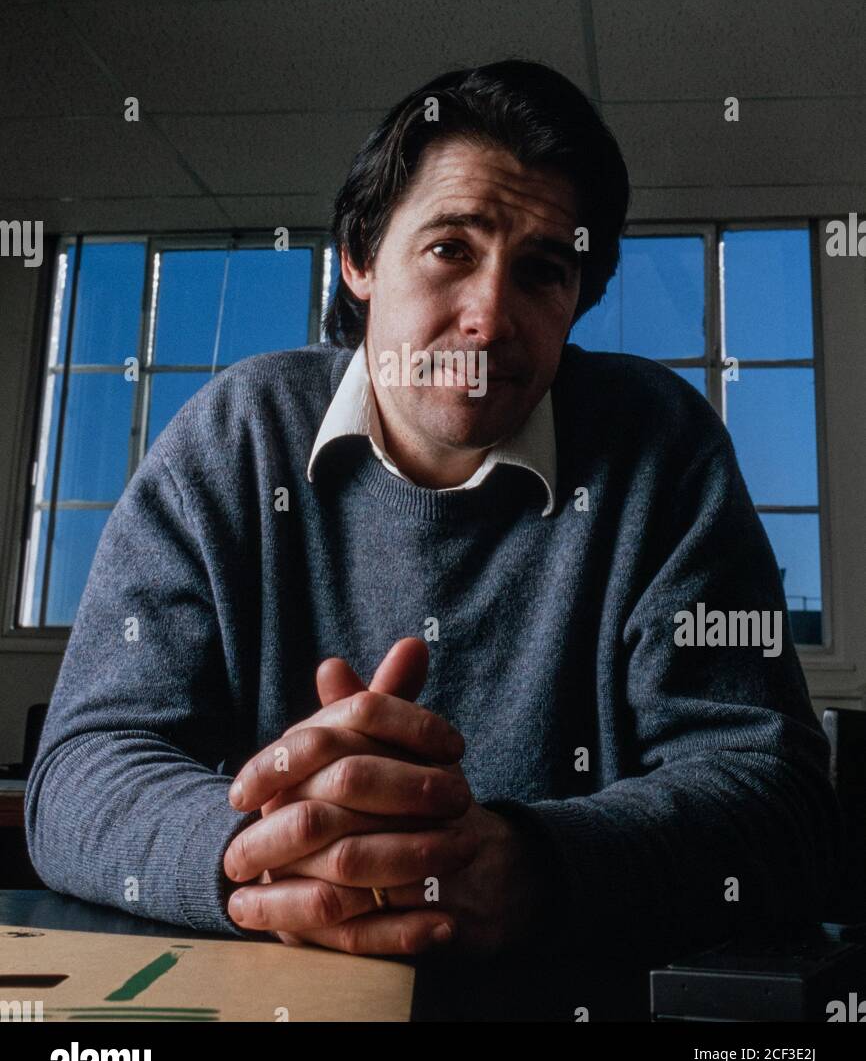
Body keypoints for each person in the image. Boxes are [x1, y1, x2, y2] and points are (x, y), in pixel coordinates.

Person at [25, 60, 842, 966]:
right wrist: (271, 861)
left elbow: (779, 798)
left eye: (542, 272)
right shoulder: (231, 440)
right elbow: (79, 774)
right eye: (452, 248)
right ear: (361, 257)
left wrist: (532, 865)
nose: (489, 318)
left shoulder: (663, 449)